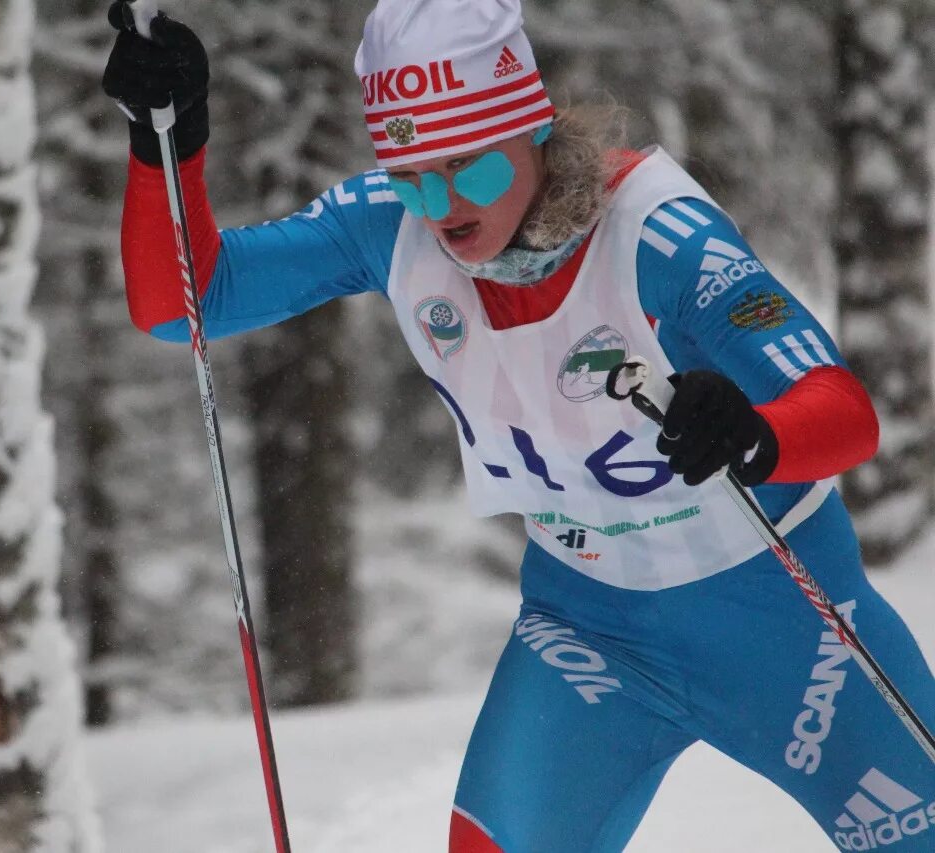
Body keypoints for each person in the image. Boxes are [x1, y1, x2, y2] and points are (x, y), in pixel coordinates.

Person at [103, 0, 935, 849]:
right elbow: (188, 305)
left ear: (530, 131)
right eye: (414, 175)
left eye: (470, 168)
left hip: (782, 622)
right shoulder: (393, 226)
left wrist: (756, 431)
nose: (444, 205)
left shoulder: (657, 237)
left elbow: (843, 409)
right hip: (588, 632)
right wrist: (167, 143)